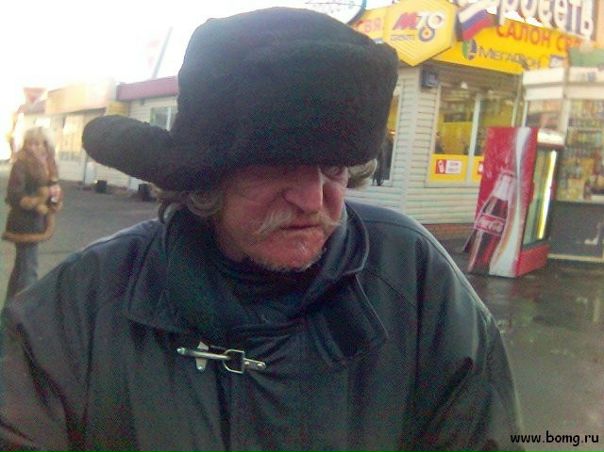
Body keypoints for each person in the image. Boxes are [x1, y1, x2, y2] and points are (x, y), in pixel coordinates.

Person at [0, 8, 523, 452]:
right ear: (207, 181)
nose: (313, 201)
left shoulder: (414, 277)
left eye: (334, 167)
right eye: (275, 167)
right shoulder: (87, 300)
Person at [2, 126, 62, 302]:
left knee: (22, 267)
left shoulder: (49, 162)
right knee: (29, 269)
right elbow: (14, 195)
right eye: (29, 143)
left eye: (36, 143)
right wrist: (36, 203)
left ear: (45, 144)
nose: (31, 147)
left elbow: (53, 187)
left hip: (39, 221)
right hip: (24, 222)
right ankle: (26, 309)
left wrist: (54, 202)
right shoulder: (21, 164)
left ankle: (11, 306)